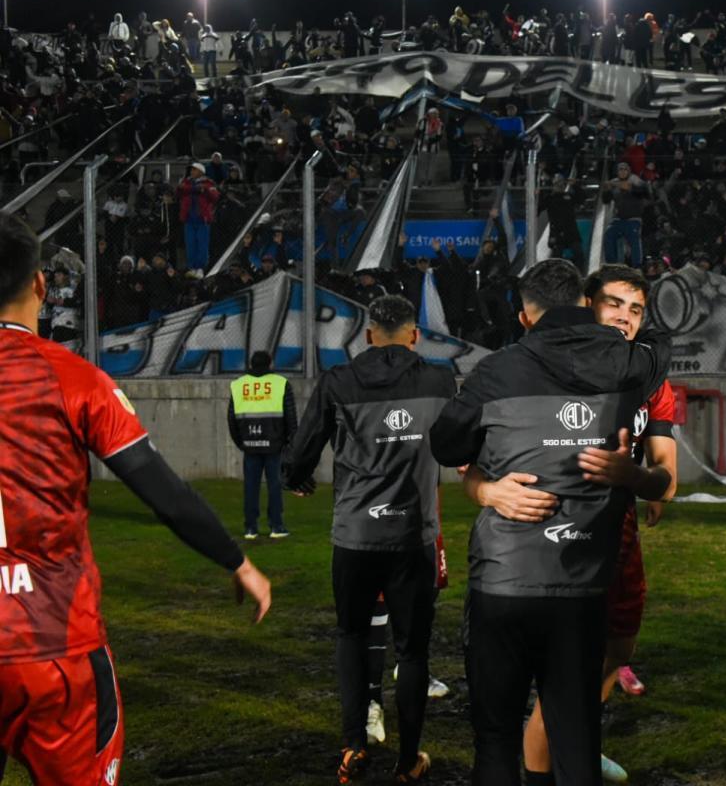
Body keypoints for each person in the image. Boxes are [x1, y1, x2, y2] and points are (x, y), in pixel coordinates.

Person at [0, 212, 272, 784]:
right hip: (55, 647)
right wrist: (237, 560)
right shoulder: (72, 379)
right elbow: (163, 493)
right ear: (42, 285)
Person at [429, 259, 671, 786]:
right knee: (577, 741)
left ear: (524, 315)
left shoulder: (496, 370)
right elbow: (660, 346)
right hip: (582, 588)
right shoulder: (627, 366)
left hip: (504, 582)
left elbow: (446, 445)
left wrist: (489, 484)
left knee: (495, 742)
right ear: (586, 304)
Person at [283, 295, 455, 785]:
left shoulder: (339, 381)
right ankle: (408, 759)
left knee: (352, 636)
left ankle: (354, 744)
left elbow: (303, 449)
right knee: (414, 651)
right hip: (412, 535)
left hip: (356, 536)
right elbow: (459, 441)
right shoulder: (440, 380)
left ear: (368, 335)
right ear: (414, 335)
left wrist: (295, 477)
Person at [228, 351, 297, 540]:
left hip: (249, 445)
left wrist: (241, 443)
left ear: (251, 363)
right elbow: (291, 417)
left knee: (250, 487)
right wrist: (291, 442)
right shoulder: (280, 383)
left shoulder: (238, 385)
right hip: (275, 446)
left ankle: (250, 528)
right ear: (270, 363)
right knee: (274, 486)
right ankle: (276, 526)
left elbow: (232, 419)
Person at [601, 162, 649, 267]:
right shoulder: (614, 183)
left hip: (633, 218)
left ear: (629, 171)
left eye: (624, 169)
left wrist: (614, 184)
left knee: (634, 239)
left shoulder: (634, 179)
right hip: (619, 219)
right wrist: (606, 190)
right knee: (609, 234)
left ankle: (637, 266)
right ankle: (612, 265)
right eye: (620, 169)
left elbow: (640, 189)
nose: (622, 171)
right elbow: (605, 200)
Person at [176, 162, 220, 275]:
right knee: (190, 244)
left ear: (201, 171)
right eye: (191, 170)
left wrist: (202, 189)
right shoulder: (186, 181)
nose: (191, 172)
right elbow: (179, 192)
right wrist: (195, 189)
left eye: (194, 170)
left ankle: (200, 268)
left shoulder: (209, 183)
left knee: (202, 244)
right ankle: (192, 268)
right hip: (188, 218)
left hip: (202, 219)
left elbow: (215, 197)